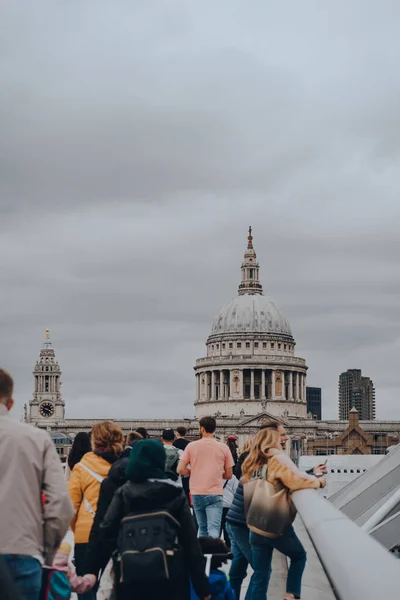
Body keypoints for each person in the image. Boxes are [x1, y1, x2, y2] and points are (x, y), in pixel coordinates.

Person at [226, 421, 327, 600]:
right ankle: (291, 594)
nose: (284, 439)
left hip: (252, 525)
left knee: (259, 573)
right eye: (281, 436)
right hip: (271, 523)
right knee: (299, 556)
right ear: (272, 439)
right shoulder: (275, 461)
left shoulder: (251, 463)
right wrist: (318, 481)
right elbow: (293, 480)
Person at [99, 439, 211, 600]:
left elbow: (106, 529)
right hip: (170, 574)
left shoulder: (124, 492)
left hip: (130, 574)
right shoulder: (174, 493)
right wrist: (202, 588)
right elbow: (191, 543)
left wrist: (123, 552)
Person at [0, 368, 74, 600]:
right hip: (22, 551)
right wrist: (45, 549)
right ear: (11, 403)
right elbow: (61, 504)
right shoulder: (37, 439)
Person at [68, 421, 124, 600]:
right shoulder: (126, 467)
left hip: (86, 535)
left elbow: (71, 507)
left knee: (87, 589)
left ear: (94, 441)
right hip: (119, 536)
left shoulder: (81, 467)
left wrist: (77, 529)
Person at [84, 430, 142, 580]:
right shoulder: (170, 490)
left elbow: (103, 521)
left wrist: (90, 568)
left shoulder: (84, 467)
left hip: (93, 535)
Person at [178, 416, 234, 538]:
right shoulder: (223, 448)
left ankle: (204, 554)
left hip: (196, 492)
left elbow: (180, 469)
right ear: (214, 429)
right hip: (215, 492)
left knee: (202, 528)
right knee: (214, 528)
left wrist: (194, 471)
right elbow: (229, 474)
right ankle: (213, 555)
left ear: (202, 429)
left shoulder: (191, 446)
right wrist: (218, 473)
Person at [220, 474, 238, 549]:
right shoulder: (232, 477)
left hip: (216, 505)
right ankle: (228, 547)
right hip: (229, 505)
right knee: (227, 529)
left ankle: (216, 547)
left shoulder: (213, 474)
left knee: (217, 528)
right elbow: (236, 491)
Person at [173, 426, 191, 498]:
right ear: (185, 433)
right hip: (187, 471)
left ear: (177, 433)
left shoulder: (173, 444)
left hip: (176, 472)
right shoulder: (190, 444)